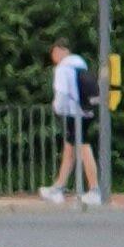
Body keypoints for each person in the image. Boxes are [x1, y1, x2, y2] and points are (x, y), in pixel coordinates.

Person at [44, 37, 91, 202]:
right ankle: (59, 186)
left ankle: (94, 189)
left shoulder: (63, 68)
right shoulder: (80, 64)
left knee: (83, 147)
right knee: (70, 149)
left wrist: (57, 109)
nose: (53, 58)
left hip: (73, 111)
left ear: (60, 50)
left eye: (54, 54)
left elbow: (62, 93)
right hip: (85, 110)